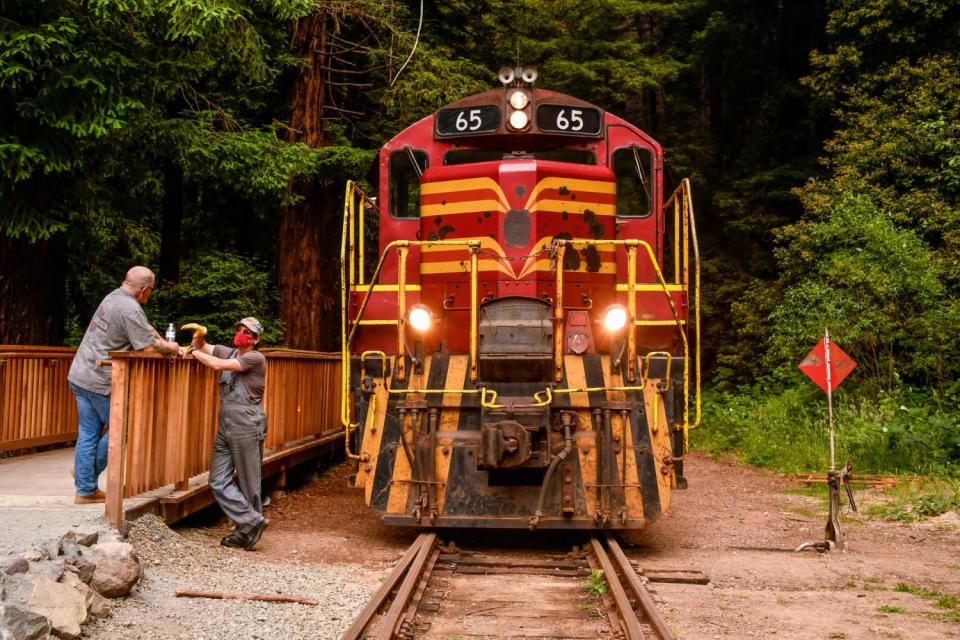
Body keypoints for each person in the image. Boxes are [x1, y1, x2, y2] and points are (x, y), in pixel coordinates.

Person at [67, 266, 181, 504]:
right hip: (100, 380)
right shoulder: (130, 308)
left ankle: (85, 487)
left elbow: (145, 329)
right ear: (145, 290)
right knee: (123, 429)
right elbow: (147, 348)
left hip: (80, 373)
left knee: (88, 433)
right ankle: (84, 477)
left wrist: (162, 341)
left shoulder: (114, 296)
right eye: (151, 291)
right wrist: (170, 348)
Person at [189, 317, 269, 550]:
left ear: (256, 339)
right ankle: (251, 522)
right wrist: (199, 335)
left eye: (247, 332)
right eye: (240, 329)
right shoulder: (229, 352)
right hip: (226, 423)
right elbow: (205, 347)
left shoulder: (256, 358)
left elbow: (215, 364)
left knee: (249, 483)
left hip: (246, 422)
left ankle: (244, 531)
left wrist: (192, 351)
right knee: (217, 480)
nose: (241, 333)